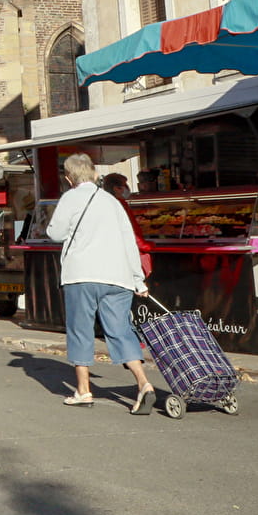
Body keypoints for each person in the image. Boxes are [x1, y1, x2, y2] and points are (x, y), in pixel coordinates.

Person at [47, 153, 156, 414]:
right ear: (95, 175)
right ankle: (144, 383)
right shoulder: (112, 202)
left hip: (81, 275)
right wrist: (138, 280)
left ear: (67, 178)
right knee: (121, 330)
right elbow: (129, 242)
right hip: (118, 276)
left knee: (80, 329)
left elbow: (54, 233)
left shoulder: (70, 198)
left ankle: (84, 390)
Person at [101, 172, 153, 279]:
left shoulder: (106, 203)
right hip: (126, 258)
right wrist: (146, 246)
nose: (127, 188)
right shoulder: (119, 205)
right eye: (125, 185)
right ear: (116, 188)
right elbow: (130, 232)